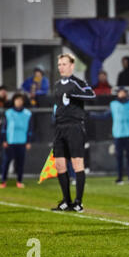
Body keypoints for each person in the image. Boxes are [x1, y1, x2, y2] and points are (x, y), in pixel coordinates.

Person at [51, 53, 96, 212]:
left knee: (77, 164)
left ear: (71, 66)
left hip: (75, 126)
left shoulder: (78, 82)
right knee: (60, 164)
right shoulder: (56, 85)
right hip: (60, 128)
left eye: (64, 64)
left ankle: (78, 202)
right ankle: (66, 200)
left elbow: (91, 94)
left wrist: (74, 92)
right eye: (59, 64)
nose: (61, 67)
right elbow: (57, 105)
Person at [0, 93, 33, 189]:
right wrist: (4, 140)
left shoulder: (27, 113)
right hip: (10, 142)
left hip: (22, 142)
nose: (18, 102)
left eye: (20, 100)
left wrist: (28, 141)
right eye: (17, 100)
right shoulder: (8, 113)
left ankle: (19, 181)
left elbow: (30, 129)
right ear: (14, 101)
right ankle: (3, 181)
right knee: (6, 162)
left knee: (20, 163)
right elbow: (4, 128)